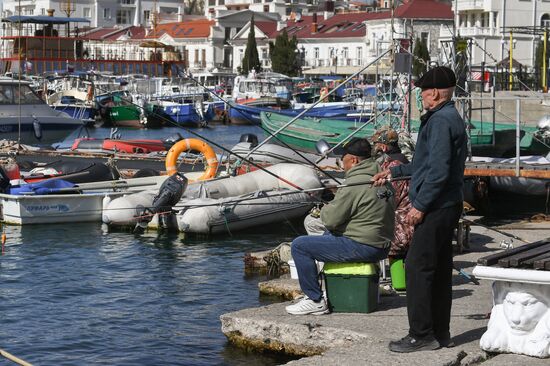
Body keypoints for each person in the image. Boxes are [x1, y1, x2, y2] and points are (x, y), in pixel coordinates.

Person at [373, 66, 467, 352]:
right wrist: (395, 171)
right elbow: (426, 164)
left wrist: (421, 206)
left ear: (435, 93)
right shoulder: (448, 117)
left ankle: (421, 334)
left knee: (416, 266)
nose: (420, 97)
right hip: (447, 203)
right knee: (437, 270)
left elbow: (438, 171)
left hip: (437, 205)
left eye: (422, 92)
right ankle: (441, 332)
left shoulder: (440, 121)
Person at [286, 137, 395, 315]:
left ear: (353, 160)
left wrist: (327, 207)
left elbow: (330, 219)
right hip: (382, 246)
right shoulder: (382, 178)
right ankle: (324, 291)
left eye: (341, 160)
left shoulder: (354, 183)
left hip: (363, 245)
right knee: (329, 234)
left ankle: (315, 299)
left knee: (300, 246)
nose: (340, 164)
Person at [371, 127, 413, 260]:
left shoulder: (392, 165)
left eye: (376, 145)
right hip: (408, 219)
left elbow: (388, 201)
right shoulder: (404, 162)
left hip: (403, 224)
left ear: (383, 147)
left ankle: (399, 281)